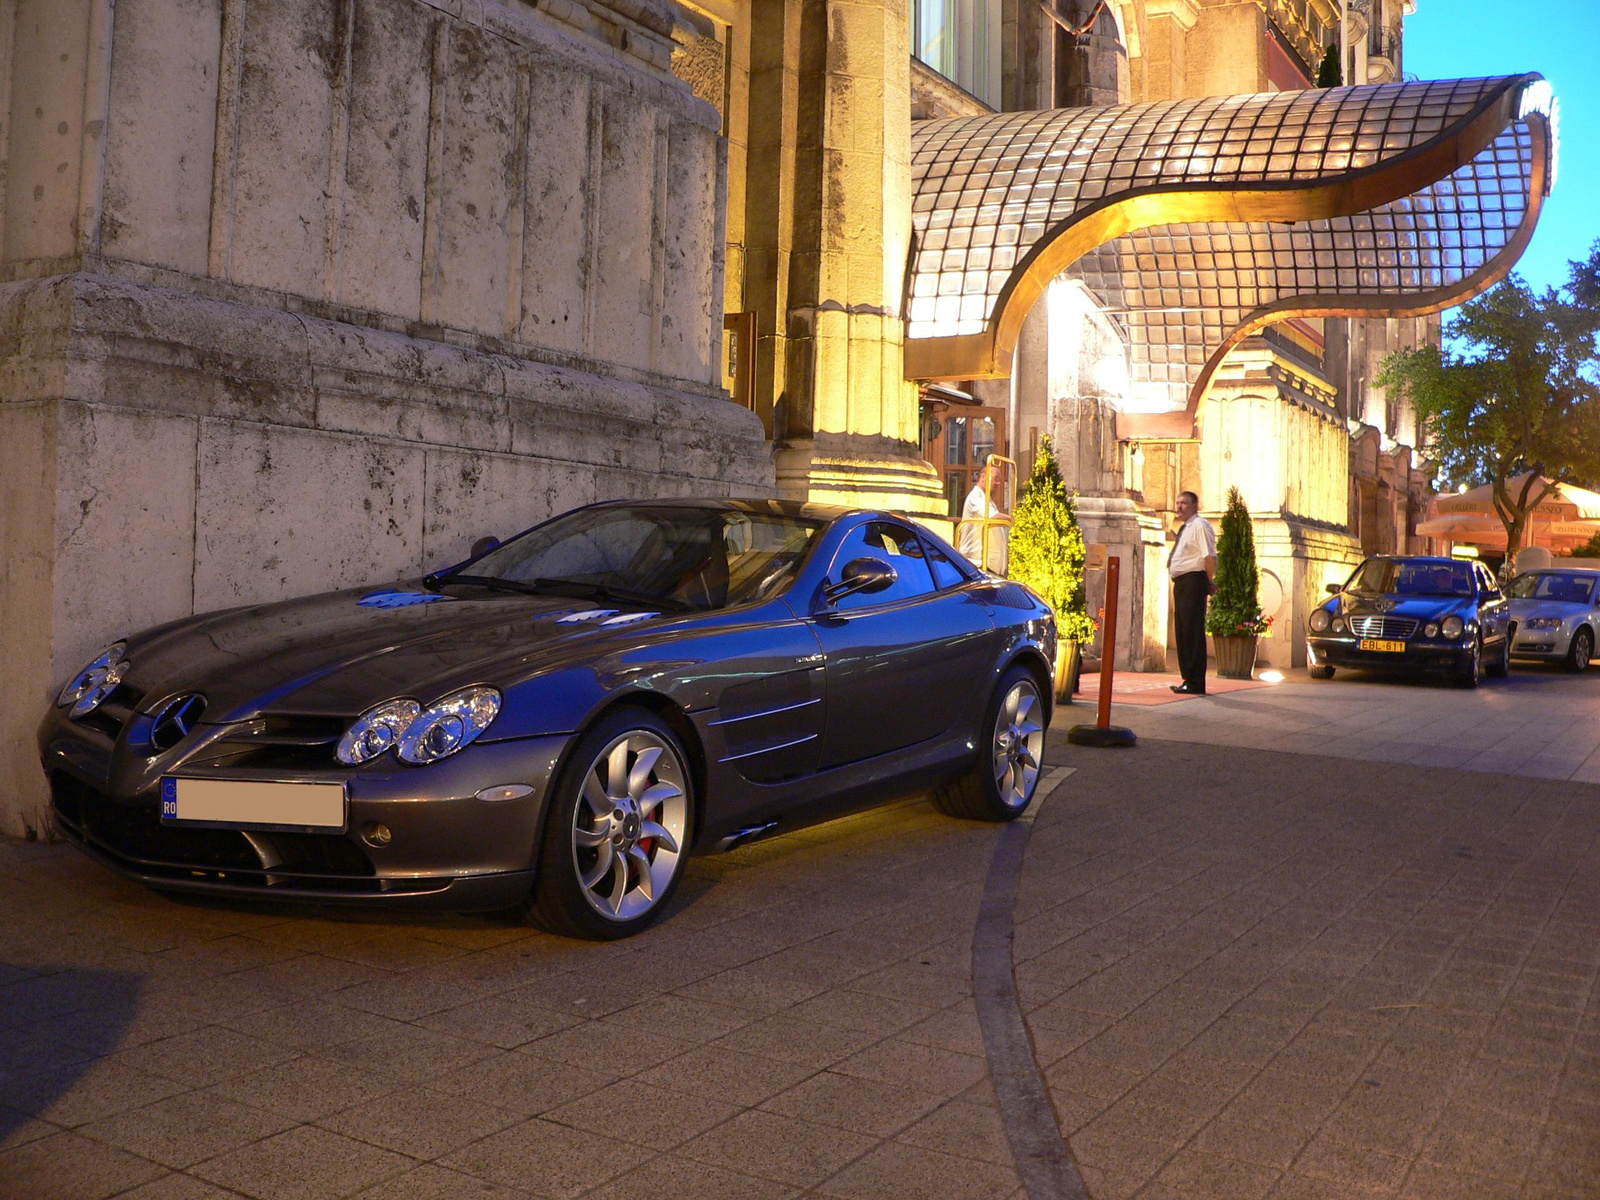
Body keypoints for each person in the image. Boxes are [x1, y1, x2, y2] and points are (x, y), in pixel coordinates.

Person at [1168, 490, 1217, 695]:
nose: (1179, 506)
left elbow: (1209, 556)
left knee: (1192, 631)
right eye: (1178, 502)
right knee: (1182, 631)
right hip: (1182, 583)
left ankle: (1196, 681)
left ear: (1195, 505)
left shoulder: (1200, 526)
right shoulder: (1185, 527)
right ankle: (1188, 678)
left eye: (1184, 503)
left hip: (1193, 581)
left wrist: (1210, 581)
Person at [957, 473, 1009, 574]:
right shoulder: (976, 496)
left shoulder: (987, 499)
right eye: (995, 478)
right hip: (977, 562)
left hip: (988, 564)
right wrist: (1012, 519)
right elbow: (991, 516)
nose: (998, 483)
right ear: (983, 477)